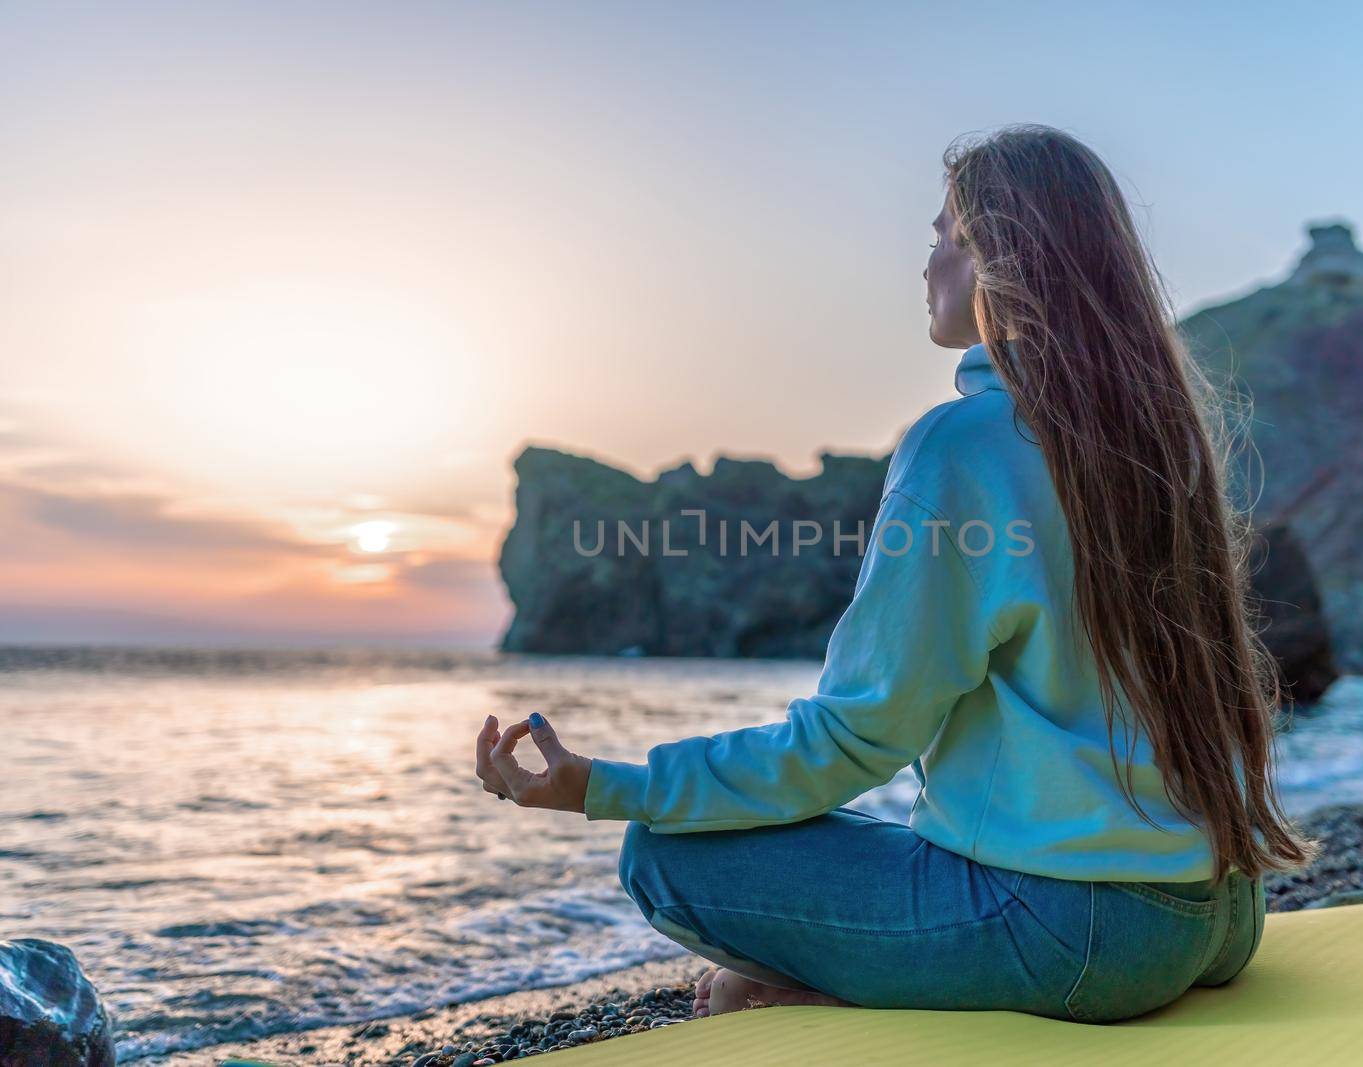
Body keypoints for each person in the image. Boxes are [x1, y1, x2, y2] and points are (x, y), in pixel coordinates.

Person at [473, 123, 1320, 1024]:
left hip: (1082, 937)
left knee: (664, 853)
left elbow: (851, 741)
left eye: (945, 238)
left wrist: (607, 785)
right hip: (1219, 913)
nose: (928, 266)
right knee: (867, 841)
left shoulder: (965, 447)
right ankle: (846, 978)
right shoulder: (1160, 440)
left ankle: (824, 991)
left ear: (997, 259)